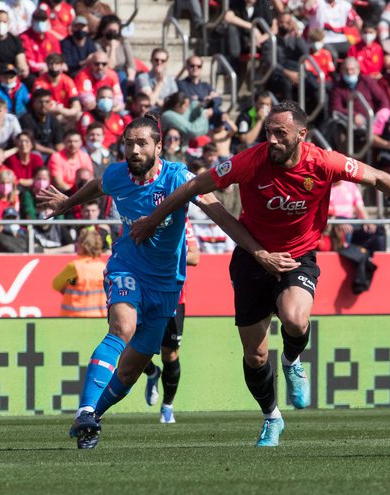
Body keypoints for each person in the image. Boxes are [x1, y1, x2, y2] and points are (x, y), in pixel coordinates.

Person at [130, 100, 390, 447]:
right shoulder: (248, 162)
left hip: (298, 256)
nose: (271, 139)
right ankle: (271, 417)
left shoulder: (323, 162)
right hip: (251, 258)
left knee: (295, 320)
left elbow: (378, 177)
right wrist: (152, 219)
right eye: (268, 131)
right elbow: (194, 186)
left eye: (280, 133)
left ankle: (292, 359)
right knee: (254, 355)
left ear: (302, 134)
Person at [36, 112, 259, 449]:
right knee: (122, 327)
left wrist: (258, 252)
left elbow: (222, 217)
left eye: (142, 143)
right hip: (126, 266)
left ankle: (92, 418)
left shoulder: (179, 179)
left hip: (168, 284)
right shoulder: (117, 175)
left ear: (158, 147)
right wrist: (68, 203)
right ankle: (83, 409)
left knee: (131, 369)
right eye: (129, 144)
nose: (134, 150)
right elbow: (98, 185)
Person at [142, 218, 200, 424]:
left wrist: (163, 254)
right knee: (131, 341)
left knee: (170, 353)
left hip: (174, 296)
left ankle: (167, 406)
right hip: (143, 290)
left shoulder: (182, 222)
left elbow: (194, 257)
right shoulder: (140, 213)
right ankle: (151, 372)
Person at [52, 228, 107, 317]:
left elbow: (56, 284)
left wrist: (70, 282)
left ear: (82, 246)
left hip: (75, 319)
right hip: (99, 318)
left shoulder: (75, 267)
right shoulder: (104, 267)